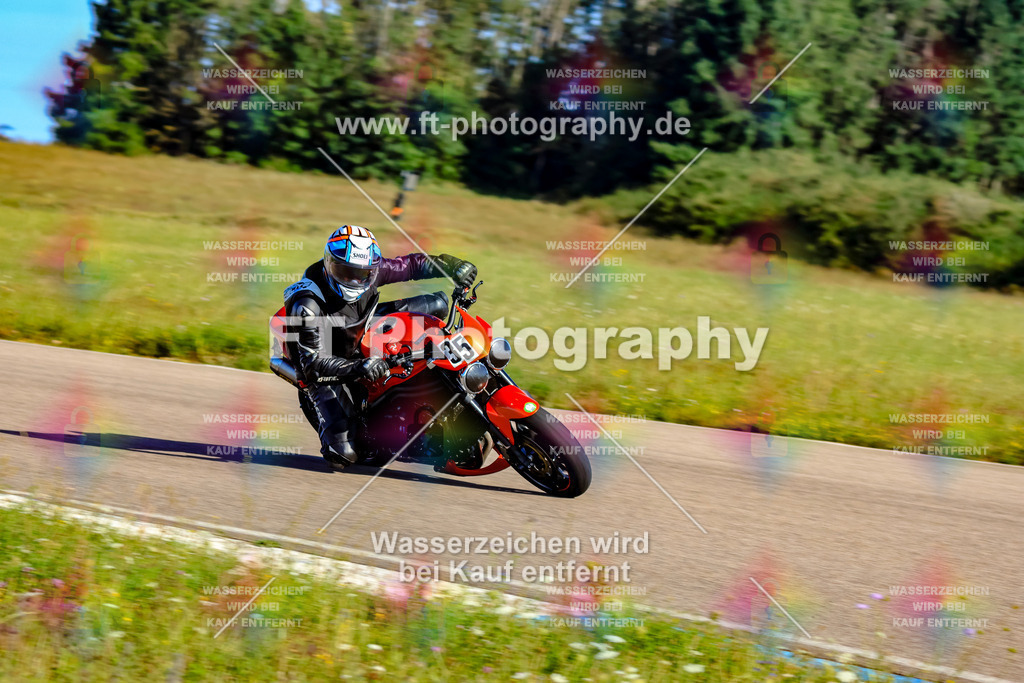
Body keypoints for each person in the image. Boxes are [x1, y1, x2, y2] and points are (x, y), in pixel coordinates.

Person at [283, 225, 477, 470]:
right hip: (325, 362)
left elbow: (411, 265)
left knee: (437, 304)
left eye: (361, 274)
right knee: (346, 455)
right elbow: (312, 365)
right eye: (345, 272)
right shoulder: (307, 303)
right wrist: (359, 366)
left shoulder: (373, 271)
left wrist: (451, 265)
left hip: (360, 327)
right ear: (328, 263)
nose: (353, 280)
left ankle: (441, 377)